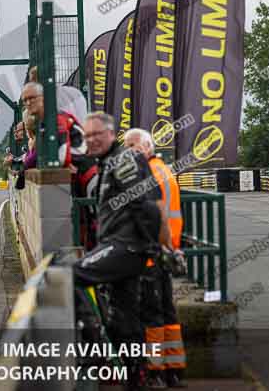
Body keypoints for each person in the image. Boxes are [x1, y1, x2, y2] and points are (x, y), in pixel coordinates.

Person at [72, 113, 162, 391]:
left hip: (126, 247)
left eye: (97, 134)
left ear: (112, 134)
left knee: (67, 275)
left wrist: (151, 247)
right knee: (124, 320)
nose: (92, 140)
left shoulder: (123, 159)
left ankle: (94, 355)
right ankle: (137, 378)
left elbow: (146, 205)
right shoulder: (107, 162)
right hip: (122, 246)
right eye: (87, 136)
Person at [125, 129, 187, 388]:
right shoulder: (164, 170)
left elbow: (152, 216)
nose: (128, 150)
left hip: (151, 254)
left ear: (147, 146)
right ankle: (175, 369)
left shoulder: (147, 174)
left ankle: (155, 371)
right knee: (167, 312)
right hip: (167, 253)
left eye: (132, 145)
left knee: (152, 315)